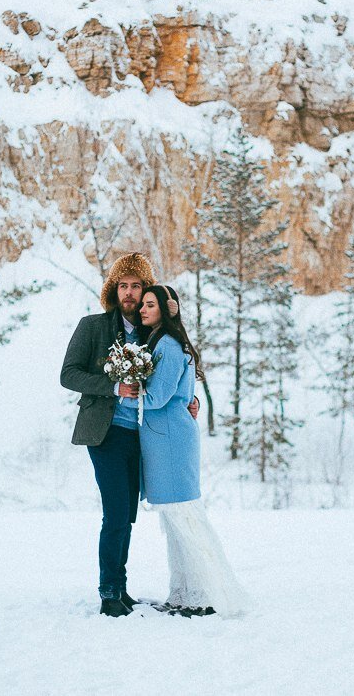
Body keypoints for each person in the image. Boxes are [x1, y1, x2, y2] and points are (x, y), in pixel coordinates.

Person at [59, 253, 198, 617]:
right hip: (104, 434)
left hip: (142, 438)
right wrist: (114, 386)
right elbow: (69, 375)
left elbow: (169, 375)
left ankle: (121, 590)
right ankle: (109, 592)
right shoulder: (92, 327)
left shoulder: (153, 333)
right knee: (117, 513)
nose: (131, 293)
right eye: (124, 285)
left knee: (128, 516)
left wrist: (189, 398)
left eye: (137, 286)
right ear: (114, 290)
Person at [121, 285, 251, 617]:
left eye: (151, 305)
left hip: (170, 441)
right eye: (143, 305)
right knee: (176, 521)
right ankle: (183, 593)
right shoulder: (163, 342)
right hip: (166, 438)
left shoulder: (167, 345)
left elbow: (158, 397)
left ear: (168, 309)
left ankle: (205, 594)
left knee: (184, 519)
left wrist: (125, 391)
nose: (143, 310)